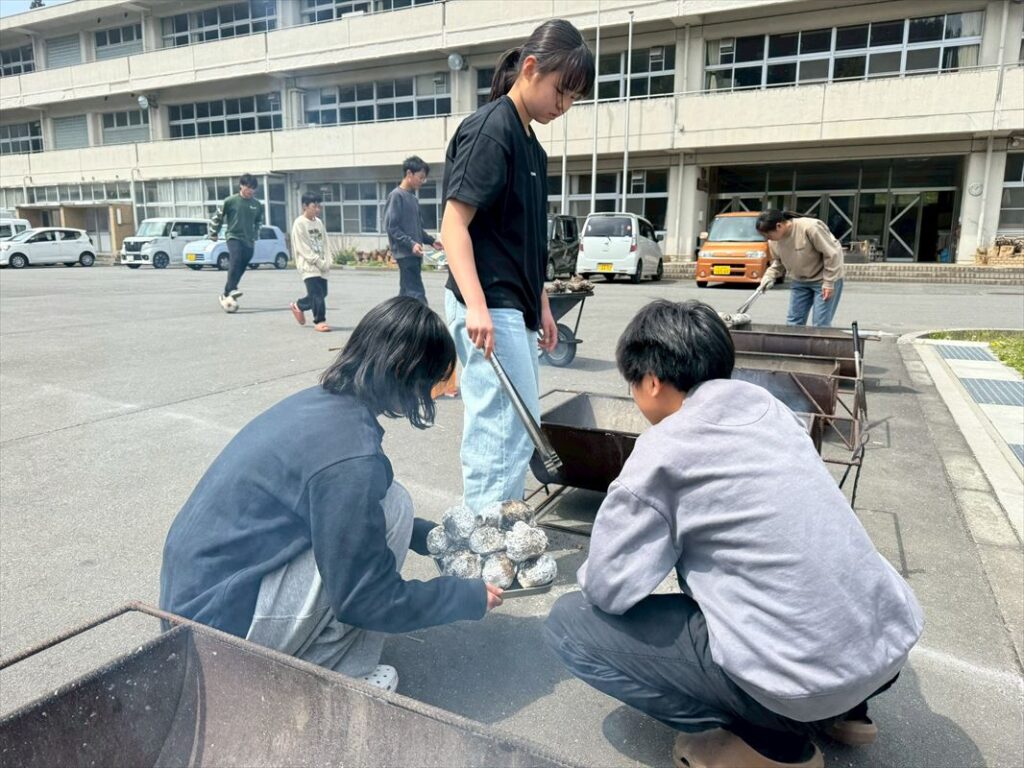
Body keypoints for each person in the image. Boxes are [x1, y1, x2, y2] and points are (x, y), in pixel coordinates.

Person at [544, 299, 923, 768]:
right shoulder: (771, 408)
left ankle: (771, 742)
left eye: (632, 384)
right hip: (885, 649)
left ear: (652, 381)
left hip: (798, 680)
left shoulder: (664, 449)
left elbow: (608, 588)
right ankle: (847, 710)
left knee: (569, 624)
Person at [160, 297, 503, 692]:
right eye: (434, 384)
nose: (436, 395)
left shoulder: (323, 405)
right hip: (217, 639)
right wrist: (463, 597)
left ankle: (296, 652)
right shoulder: (350, 456)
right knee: (394, 508)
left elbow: (347, 518)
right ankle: (330, 674)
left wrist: (433, 538)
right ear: (405, 375)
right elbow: (366, 598)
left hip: (195, 607)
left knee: (390, 504)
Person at [440, 19, 593, 512]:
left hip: (515, 304)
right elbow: (453, 226)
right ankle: (485, 535)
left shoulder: (532, 145)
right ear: (530, 69)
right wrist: (476, 306)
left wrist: (542, 303)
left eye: (573, 98)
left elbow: (524, 240)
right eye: (561, 91)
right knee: (501, 427)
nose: (564, 106)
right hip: (488, 302)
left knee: (517, 426)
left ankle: (497, 526)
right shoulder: (492, 130)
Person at [756, 210, 845, 328]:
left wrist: (829, 282)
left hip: (824, 279)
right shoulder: (774, 241)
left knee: (820, 323)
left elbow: (833, 253)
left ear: (779, 226)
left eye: (768, 235)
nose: (767, 239)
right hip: (800, 281)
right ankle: (793, 341)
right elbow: (779, 262)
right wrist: (769, 276)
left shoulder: (810, 227)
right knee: (793, 322)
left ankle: (820, 340)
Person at [384, 156, 443, 305]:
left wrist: (432, 241)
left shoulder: (413, 199)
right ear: (409, 174)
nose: (423, 181)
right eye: (421, 177)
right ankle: (424, 318)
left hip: (414, 254)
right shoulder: (396, 196)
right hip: (406, 254)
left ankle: (398, 317)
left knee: (406, 295)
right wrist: (411, 244)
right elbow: (392, 227)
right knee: (417, 294)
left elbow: (418, 229)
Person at [209, 173, 264, 313]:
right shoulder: (230, 201)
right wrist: (214, 232)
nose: (250, 190)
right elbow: (217, 217)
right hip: (233, 236)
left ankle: (227, 292)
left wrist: (256, 234)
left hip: (249, 239)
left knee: (243, 264)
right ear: (241, 186)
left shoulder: (257, 204)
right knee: (236, 258)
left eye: (253, 188)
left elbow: (259, 221)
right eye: (248, 187)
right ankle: (232, 288)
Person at [289, 193, 331, 332]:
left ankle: (299, 306)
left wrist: (327, 260)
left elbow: (325, 242)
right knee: (317, 294)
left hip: (322, 265)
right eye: (314, 206)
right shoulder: (299, 223)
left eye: (319, 206)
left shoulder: (319, 222)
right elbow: (303, 248)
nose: (317, 209)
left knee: (322, 293)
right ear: (305, 206)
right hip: (308, 265)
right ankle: (320, 321)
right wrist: (317, 261)